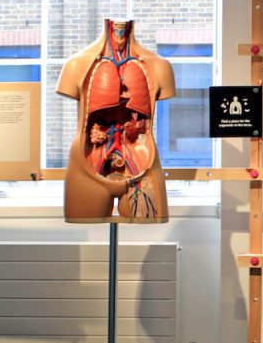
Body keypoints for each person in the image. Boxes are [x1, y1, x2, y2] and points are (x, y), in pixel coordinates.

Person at [56, 19, 175, 222]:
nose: (119, 35)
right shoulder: (76, 65)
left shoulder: (159, 66)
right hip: (87, 166)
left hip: (141, 170)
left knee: (145, 218)